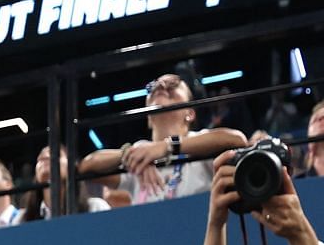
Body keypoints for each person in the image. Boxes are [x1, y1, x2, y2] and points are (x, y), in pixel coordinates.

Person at [77, 73, 248, 206]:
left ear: (189, 113)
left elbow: (236, 140)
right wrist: (129, 154)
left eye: (172, 85)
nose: (160, 86)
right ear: (149, 118)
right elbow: (86, 167)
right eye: (153, 87)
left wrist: (167, 146)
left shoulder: (200, 141)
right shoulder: (140, 151)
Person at [20, 146, 111, 222]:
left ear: (71, 166)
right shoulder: (23, 219)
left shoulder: (95, 207)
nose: (45, 157)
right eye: (40, 159)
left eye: (56, 154)